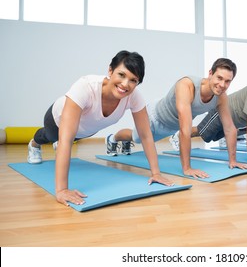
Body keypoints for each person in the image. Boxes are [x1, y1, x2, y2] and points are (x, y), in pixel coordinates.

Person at [27, 50, 174, 207]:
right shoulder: (86, 87)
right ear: (110, 71)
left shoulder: (134, 96)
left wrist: (156, 174)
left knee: (70, 138)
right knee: (50, 137)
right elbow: (66, 139)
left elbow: (145, 135)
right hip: (56, 120)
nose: (125, 84)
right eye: (121, 75)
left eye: (133, 80)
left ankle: (55, 143)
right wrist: (62, 190)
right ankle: (34, 144)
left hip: (84, 130)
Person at [109, 58, 247, 179]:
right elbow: (185, 130)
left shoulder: (221, 98)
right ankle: (112, 139)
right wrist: (187, 168)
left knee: (141, 139)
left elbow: (229, 128)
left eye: (227, 81)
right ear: (210, 73)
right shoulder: (187, 85)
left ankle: (124, 142)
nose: (222, 85)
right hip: (155, 116)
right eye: (219, 78)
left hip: (171, 126)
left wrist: (233, 160)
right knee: (136, 138)